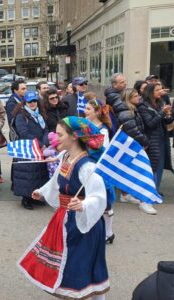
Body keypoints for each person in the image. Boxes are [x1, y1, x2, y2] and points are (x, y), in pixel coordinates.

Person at [19, 116, 109, 300]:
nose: (55, 138)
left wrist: (83, 204)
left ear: (74, 136)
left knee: (83, 266)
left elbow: (99, 195)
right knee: (71, 265)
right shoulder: (66, 157)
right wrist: (43, 191)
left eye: (60, 135)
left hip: (83, 223)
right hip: (65, 218)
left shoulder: (87, 166)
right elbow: (56, 182)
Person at [84, 95, 117, 243]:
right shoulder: (87, 125)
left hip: (99, 168)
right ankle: (94, 228)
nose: (85, 111)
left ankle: (109, 232)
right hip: (88, 166)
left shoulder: (102, 130)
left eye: (88, 109)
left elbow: (103, 150)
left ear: (97, 112)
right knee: (91, 198)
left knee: (105, 200)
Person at [137, 83, 173, 215]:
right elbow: (150, 124)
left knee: (158, 169)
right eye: (158, 90)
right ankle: (144, 201)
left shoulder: (161, 102)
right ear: (150, 92)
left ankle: (151, 196)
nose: (161, 91)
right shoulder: (143, 105)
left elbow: (167, 123)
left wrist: (168, 115)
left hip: (162, 140)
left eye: (161, 89)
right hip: (151, 141)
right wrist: (161, 113)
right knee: (150, 170)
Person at [11, 91, 49, 210]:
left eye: (34, 101)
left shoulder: (40, 114)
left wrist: (45, 141)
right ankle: (25, 199)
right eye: (29, 101)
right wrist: (41, 144)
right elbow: (24, 133)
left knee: (38, 173)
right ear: (25, 102)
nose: (32, 103)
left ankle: (35, 197)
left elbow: (45, 129)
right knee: (27, 175)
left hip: (39, 148)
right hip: (28, 149)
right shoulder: (21, 115)